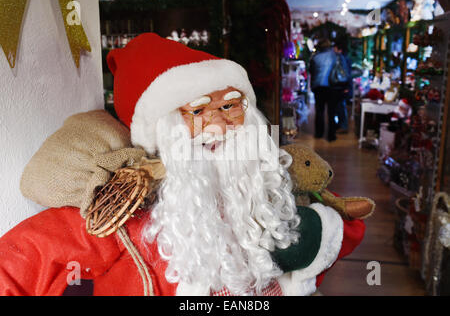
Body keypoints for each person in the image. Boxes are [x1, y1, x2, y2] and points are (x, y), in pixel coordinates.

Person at [0, 33, 364, 296]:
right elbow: (21, 259)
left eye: (229, 106)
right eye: (198, 112)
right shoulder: (133, 211)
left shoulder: (267, 181)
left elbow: (342, 230)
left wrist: (316, 233)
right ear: (167, 130)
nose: (219, 126)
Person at [309, 38, 339, 142]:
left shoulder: (315, 57)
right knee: (332, 112)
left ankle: (319, 133)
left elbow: (311, 71)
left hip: (318, 87)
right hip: (332, 86)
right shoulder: (334, 56)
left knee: (319, 111)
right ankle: (331, 135)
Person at [333, 39, 353, 134]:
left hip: (342, 86)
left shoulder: (341, 58)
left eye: (335, 48)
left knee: (340, 105)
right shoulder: (345, 57)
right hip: (343, 85)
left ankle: (343, 126)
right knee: (339, 105)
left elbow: (344, 73)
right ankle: (341, 125)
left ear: (339, 49)